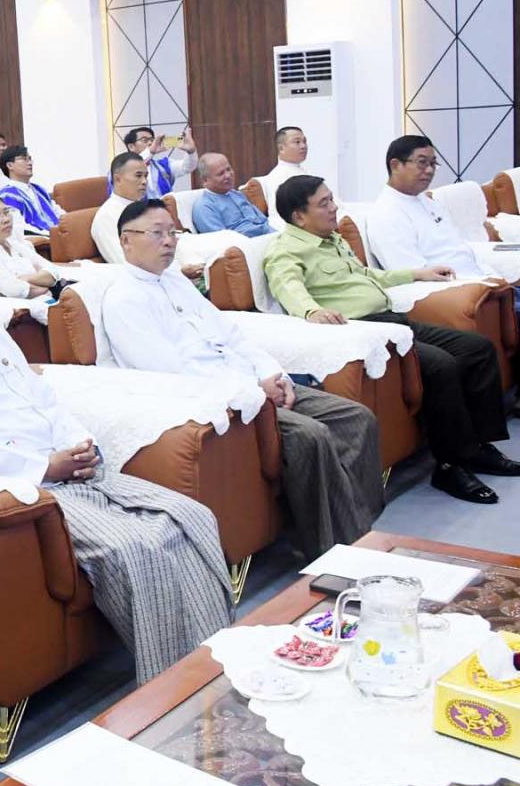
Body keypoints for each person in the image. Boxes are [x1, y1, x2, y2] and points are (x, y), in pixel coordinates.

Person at [0, 223, 233, 682]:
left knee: (190, 516)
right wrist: (44, 466)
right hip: (26, 487)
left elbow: (45, 402)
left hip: (69, 468)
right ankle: (174, 686)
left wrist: (80, 444)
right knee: (134, 548)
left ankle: (221, 659)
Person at [105, 199, 383, 558]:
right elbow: (170, 371)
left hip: (253, 382)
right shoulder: (124, 299)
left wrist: (272, 373)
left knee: (356, 418)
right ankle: (334, 552)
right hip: (225, 399)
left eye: (173, 232)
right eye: (157, 234)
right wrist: (255, 390)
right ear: (126, 240)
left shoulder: (175, 282)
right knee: (311, 436)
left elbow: (231, 335)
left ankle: (359, 528)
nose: (169, 241)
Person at [265, 175, 515, 504]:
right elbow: (288, 286)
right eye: (324, 203)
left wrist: (416, 273)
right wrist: (312, 310)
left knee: (477, 349)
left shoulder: (332, 239)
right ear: (299, 216)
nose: (334, 207)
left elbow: (367, 275)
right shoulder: (285, 250)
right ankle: (449, 466)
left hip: (393, 319)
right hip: (367, 330)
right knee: (440, 366)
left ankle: (478, 447)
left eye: (332, 199)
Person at [369, 135, 495, 279]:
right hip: (458, 286)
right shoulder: (386, 213)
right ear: (395, 165)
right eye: (422, 163)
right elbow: (414, 273)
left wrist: (491, 277)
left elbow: (458, 248)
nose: (429, 170)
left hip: (482, 278)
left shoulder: (427, 201)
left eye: (433, 163)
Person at [0, 194, 57, 299]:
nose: (6, 219)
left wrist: (25, 279)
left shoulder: (17, 245)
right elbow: (15, 290)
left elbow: (53, 272)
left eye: (6, 212)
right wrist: (45, 284)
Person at [192, 153, 273, 236]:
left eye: (228, 169)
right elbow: (221, 238)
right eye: (221, 173)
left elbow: (263, 221)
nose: (228, 175)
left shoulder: (236, 194)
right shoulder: (204, 206)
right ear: (205, 181)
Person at [0, 145, 64, 234]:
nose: (30, 163)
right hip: (39, 238)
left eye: (30, 159)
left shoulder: (39, 190)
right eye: (24, 159)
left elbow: (57, 212)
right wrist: (52, 234)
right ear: (10, 165)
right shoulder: (7, 195)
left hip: (59, 234)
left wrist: (70, 224)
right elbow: (20, 227)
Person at [123, 125, 198, 199]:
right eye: (145, 140)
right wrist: (150, 152)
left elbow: (187, 167)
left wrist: (191, 152)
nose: (150, 143)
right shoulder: (122, 167)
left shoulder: (163, 165)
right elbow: (133, 167)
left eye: (152, 140)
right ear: (131, 147)